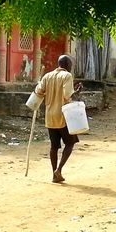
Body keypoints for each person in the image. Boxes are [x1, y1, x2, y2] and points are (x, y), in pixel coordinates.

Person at [34, 55, 83, 183]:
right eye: (71, 65)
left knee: (54, 146)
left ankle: (53, 173)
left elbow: (38, 91)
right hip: (63, 115)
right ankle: (59, 170)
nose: (71, 67)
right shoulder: (67, 76)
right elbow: (67, 95)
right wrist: (77, 91)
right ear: (67, 65)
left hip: (50, 115)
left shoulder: (47, 76)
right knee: (70, 143)